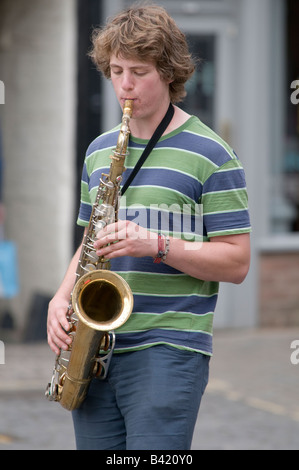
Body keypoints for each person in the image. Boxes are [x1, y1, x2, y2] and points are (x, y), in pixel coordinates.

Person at [47, 4, 251, 450]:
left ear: (170, 73)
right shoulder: (99, 151)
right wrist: (62, 297)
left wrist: (157, 244)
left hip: (170, 345)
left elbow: (237, 262)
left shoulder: (213, 155)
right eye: (116, 70)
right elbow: (90, 239)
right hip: (96, 346)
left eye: (139, 71)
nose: (124, 84)